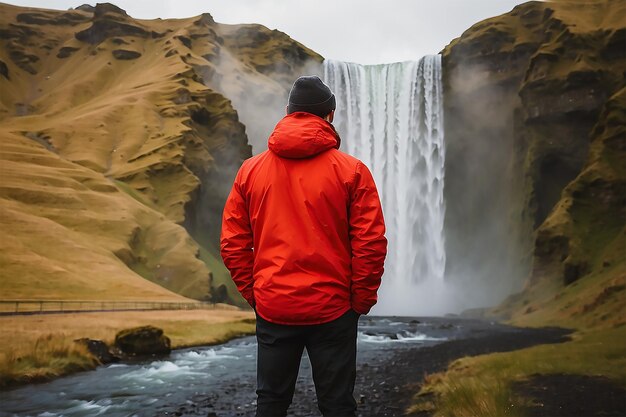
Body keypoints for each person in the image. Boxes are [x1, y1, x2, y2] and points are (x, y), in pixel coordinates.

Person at [220, 75, 387, 417]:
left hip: (274, 306)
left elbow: (233, 243)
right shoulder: (352, 171)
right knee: (337, 403)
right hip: (334, 308)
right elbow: (370, 243)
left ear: (288, 112)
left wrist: (257, 294)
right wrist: (359, 302)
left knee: (270, 401)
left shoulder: (249, 172)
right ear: (330, 116)